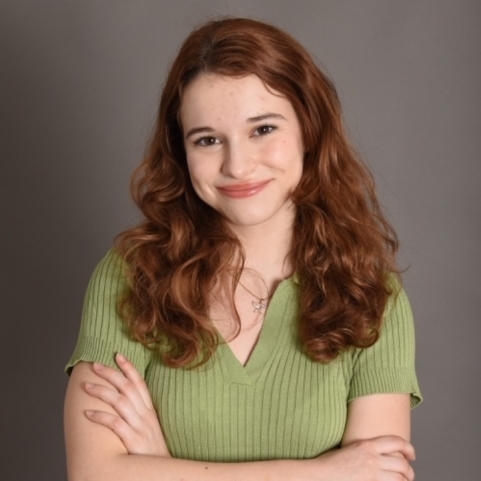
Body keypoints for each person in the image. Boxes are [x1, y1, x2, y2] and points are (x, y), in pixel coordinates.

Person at [64, 17, 422, 481]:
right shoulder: (134, 276)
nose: (237, 165)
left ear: (309, 129)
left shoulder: (369, 293)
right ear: (182, 151)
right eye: (208, 140)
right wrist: (320, 473)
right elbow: (94, 474)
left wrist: (162, 467)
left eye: (263, 129)